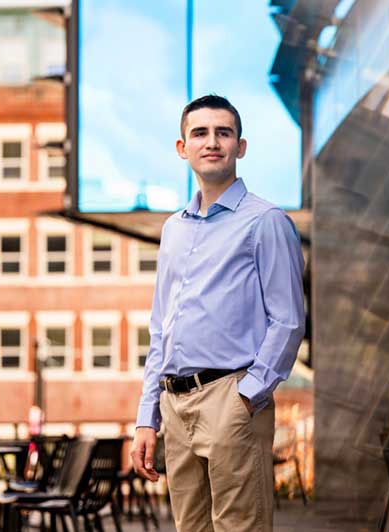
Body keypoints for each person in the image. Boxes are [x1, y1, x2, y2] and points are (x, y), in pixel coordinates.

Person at [130, 94, 306, 531]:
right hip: (175, 403)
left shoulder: (265, 221)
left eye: (223, 132)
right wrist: (146, 418)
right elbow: (161, 331)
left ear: (240, 147)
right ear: (182, 147)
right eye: (200, 133)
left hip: (231, 396)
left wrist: (248, 395)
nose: (212, 142)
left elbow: (288, 320)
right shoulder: (173, 230)